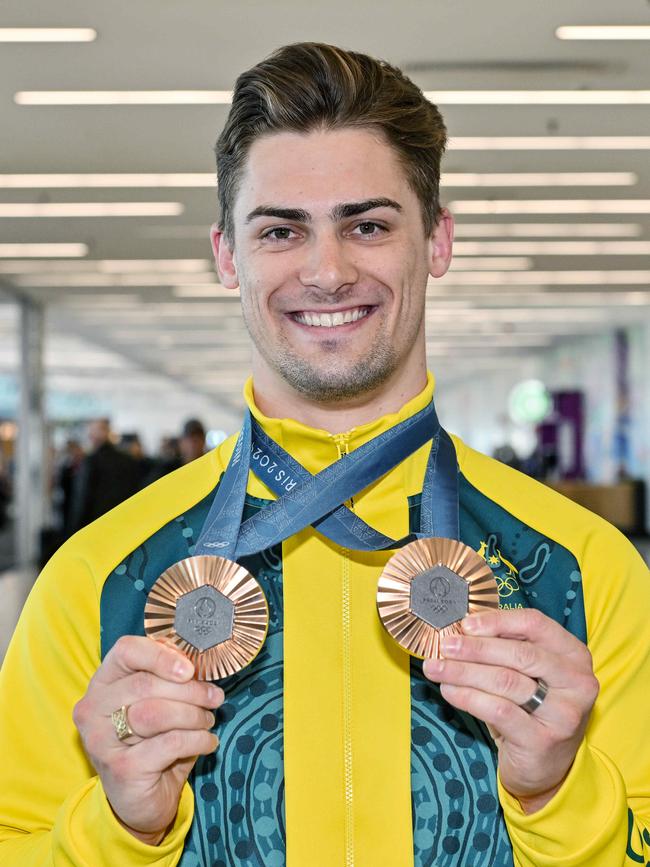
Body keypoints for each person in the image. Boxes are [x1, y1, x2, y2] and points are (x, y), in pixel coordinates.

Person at [0, 42, 648, 867]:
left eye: (367, 224)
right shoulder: (97, 580)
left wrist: (557, 794)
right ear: (227, 255)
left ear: (438, 241)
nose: (327, 270)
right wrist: (125, 827)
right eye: (281, 230)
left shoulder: (582, 569)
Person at [67, 418, 142, 534]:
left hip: (97, 526)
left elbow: (82, 500)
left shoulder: (91, 461)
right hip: (124, 524)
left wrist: (74, 531)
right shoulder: (128, 460)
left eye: (91, 431)